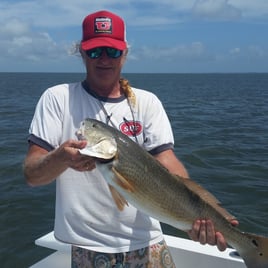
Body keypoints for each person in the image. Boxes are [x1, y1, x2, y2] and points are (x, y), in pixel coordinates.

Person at [24, 10, 238, 267]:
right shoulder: (57, 98)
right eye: (95, 51)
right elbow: (32, 175)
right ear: (81, 52)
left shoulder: (147, 102)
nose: (104, 59)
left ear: (125, 53)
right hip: (89, 248)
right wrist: (60, 159)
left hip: (150, 244)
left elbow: (167, 161)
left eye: (112, 51)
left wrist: (197, 214)